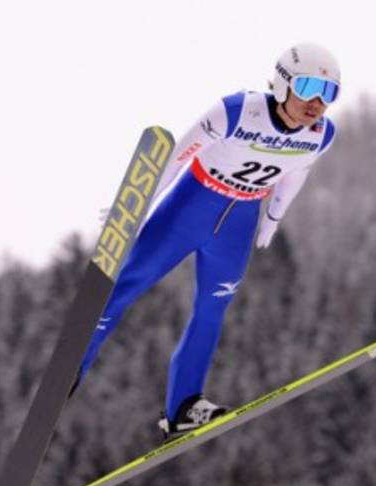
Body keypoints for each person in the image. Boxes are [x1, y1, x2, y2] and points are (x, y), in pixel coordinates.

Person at [71, 43, 341, 439]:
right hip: (190, 207)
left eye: (329, 92)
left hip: (238, 223)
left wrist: (273, 218)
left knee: (212, 310)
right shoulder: (236, 111)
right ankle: (72, 367)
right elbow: (176, 157)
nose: (317, 102)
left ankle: (183, 406)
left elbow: (295, 174)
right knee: (128, 285)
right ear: (283, 83)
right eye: (308, 87)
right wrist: (137, 206)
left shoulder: (321, 134)